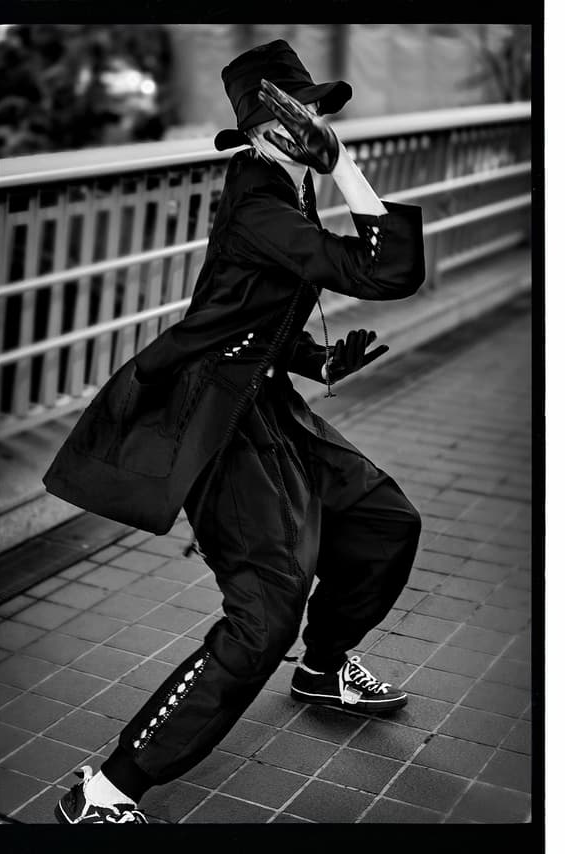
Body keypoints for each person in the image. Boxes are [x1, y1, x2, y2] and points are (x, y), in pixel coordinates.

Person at [44, 39, 425, 825]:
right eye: (294, 115)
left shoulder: (282, 186)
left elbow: (245, 308)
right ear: (260, 130)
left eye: (312, 110)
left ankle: (322, 669)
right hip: (216, 418)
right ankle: (106, 789)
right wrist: (345, 166)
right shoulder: (259, 199)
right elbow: (383, 271)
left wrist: (318, 360)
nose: (310, 124)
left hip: (264, 400)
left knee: (385, 522)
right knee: (265, 612)